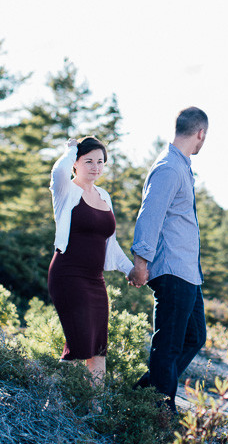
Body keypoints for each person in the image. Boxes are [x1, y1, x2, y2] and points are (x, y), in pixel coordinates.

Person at [129, 107, 209, 413]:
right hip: (173, 270)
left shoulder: (182, 166)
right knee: (169, 344)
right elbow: (150, 214)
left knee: (194, 336)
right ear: (200, 133)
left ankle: (143, 395)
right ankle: (160, 411)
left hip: (189, 272)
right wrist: (141, 261)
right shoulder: (168, 168)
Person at [48, 136, 133, 386]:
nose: (95, 167)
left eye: (100, 161)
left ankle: (97, 411)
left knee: (98, 347)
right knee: (79, 345)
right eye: (88, 161)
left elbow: (111, 245)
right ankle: (51, 402)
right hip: (68, 277)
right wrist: (71, 149)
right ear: (75, 163)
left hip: (96, 282)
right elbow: (57, 171)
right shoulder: (65, 190)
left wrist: (131, 270)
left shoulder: (104, 195)